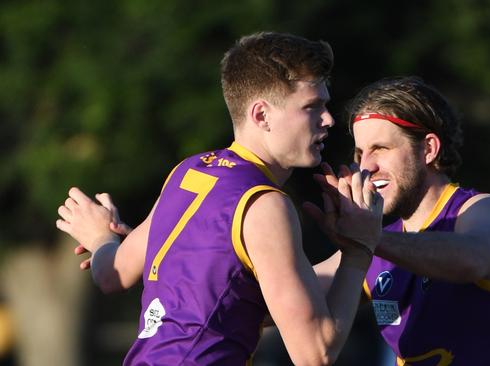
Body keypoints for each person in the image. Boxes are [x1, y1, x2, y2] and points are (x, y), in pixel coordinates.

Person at [56, 32, 383, 366]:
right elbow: (315, 352)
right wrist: (359, 250)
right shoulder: (265, 205)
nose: (327, 119)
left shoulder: (189, 173)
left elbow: (112, 274)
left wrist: (100, 237)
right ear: (261, 115)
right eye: (312, 106)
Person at [308, 76, 490, 365]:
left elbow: (474, 258)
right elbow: (286, 297)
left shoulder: (483, 209)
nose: (366, 167)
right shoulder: (372, 243)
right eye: (360, 153)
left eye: (381, 149)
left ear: (428, 149)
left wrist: (370, 239)